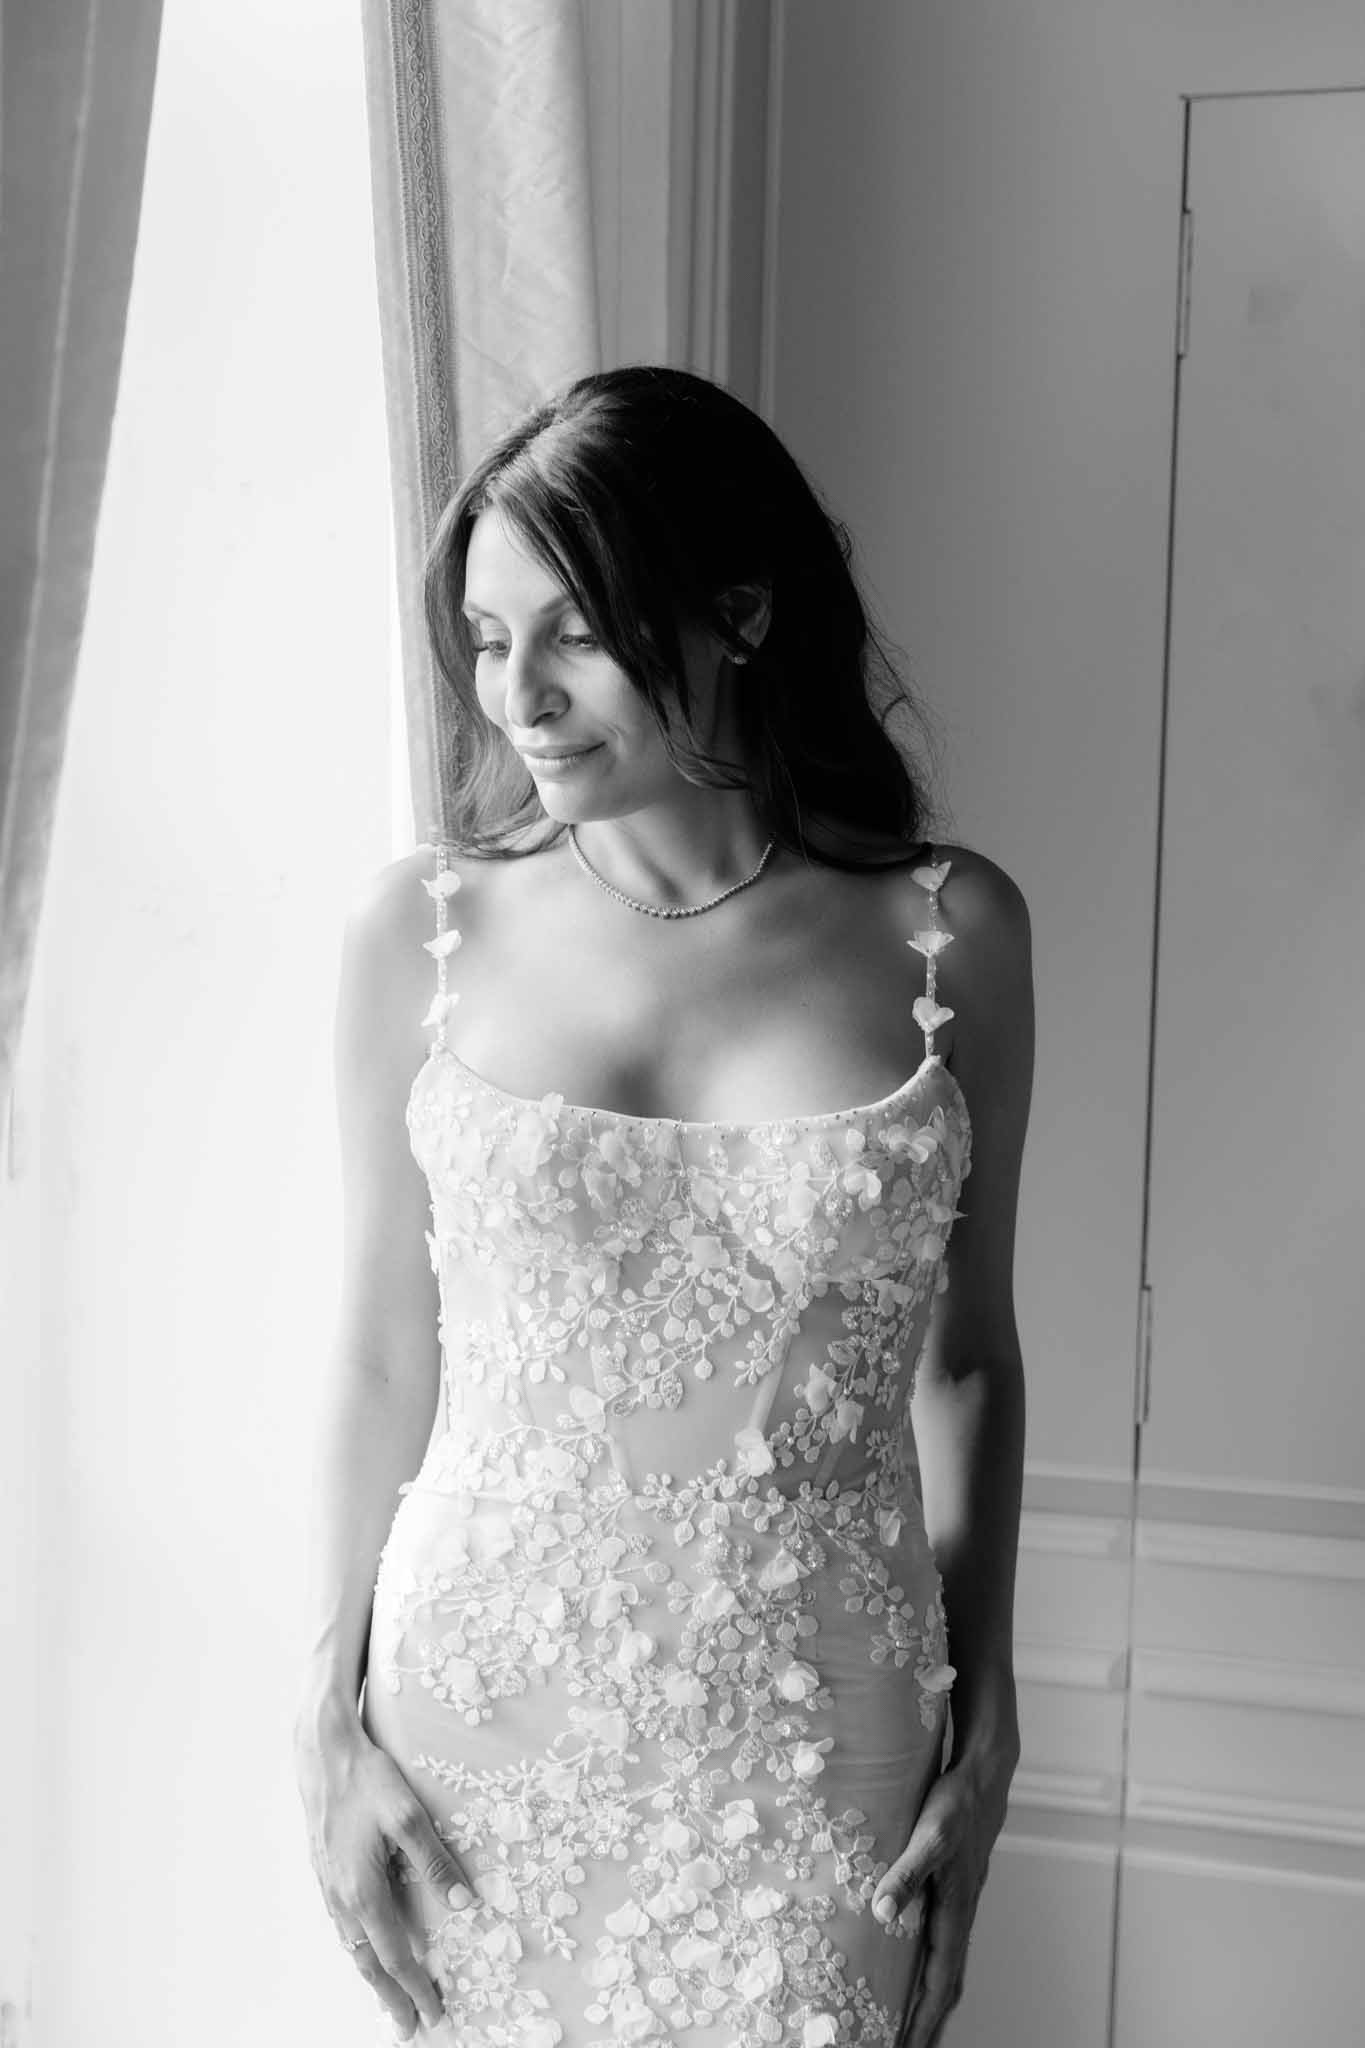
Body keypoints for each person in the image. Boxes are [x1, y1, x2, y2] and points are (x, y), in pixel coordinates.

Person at [293, 364, 1031, 2048]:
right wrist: (326, 1725)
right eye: (485, 639)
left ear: (741, 613)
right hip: (480, 1726)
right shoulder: (421, 931)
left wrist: (986, 1730)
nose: (520, 698)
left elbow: (966, 1360)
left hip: (816, 1730)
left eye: (575, 633)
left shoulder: (949, 938)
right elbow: (375, 1361)